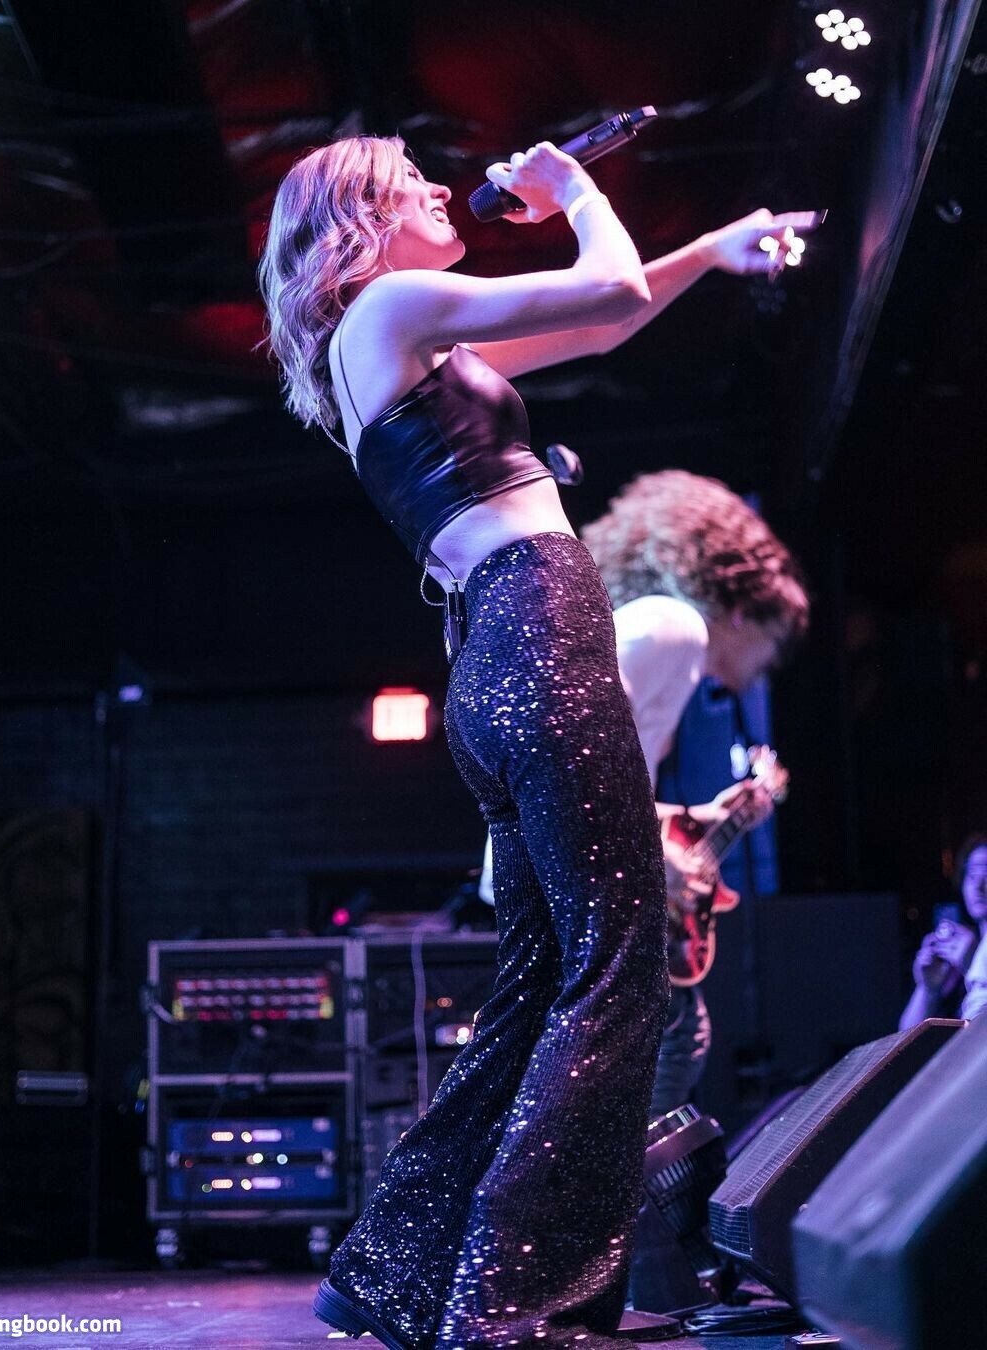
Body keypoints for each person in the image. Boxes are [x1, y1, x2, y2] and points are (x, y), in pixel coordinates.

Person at [260, 133, 801, 1350]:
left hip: (499, 662)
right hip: (539, 638)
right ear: (361, 218)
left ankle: (393, 1271)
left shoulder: (396, 342)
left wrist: (712, 251)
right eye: (410, 179)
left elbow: (609, 317)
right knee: (620, 967)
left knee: (544, 982)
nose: (437, 188)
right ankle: (511, 1302)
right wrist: (573, 190)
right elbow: (604, 281)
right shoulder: (392, 308)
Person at [580, 470, 809, 1118]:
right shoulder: (676, 626)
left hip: (573, 882)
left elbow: (600, 778)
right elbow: (570, 753)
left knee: (671, 1045)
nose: (761, 673)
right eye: (772, 649)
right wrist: (657, 855)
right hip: (573, 887)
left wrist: (696, 819)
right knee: (675, 1042)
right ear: (742, 611)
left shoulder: (668, 636)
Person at [899, 833, 987, 1029]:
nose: (978, 885)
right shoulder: (960, 947)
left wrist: (972, 964)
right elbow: (905, 1035)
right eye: (972, 875)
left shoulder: (969, 951)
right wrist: (927, 988)